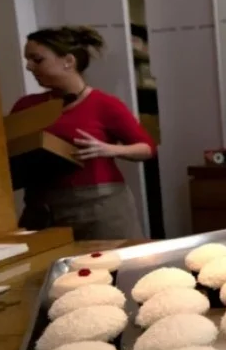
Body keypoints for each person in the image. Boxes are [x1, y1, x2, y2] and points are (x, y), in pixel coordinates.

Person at [10, 25, 156, 240]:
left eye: (37, 59)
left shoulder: (105, 104)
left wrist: (108, 149)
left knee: (113, 269)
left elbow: (147, 148)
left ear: (68, 61)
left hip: (100, 209)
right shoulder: (26, 106)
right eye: (27, 60)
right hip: (41, 210)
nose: (29, 67)